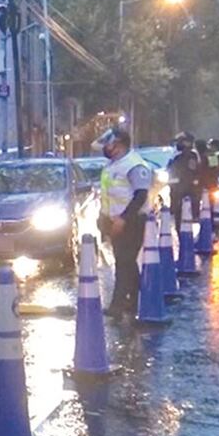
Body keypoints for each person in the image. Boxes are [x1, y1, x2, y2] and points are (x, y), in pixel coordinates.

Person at [96, 127, 152, 320]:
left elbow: (140, 195)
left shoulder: (134, 165)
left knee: (123, 262)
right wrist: (103, 217)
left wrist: (123, 218)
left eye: (108, 144)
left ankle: (117, 305)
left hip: (132, 221)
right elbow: (110, 194)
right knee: (126, 262)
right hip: (115, 221)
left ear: (118, 145)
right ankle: (136, 301)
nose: (105, 148)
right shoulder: (114, 164)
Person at [167, 131, 199, 233]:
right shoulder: (175, 155)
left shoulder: (191, 155)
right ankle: (179, 230)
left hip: (186, 188)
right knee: (177, 212)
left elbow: (194, 170)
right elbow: (169, 169)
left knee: (186, 210)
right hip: (177, 188)